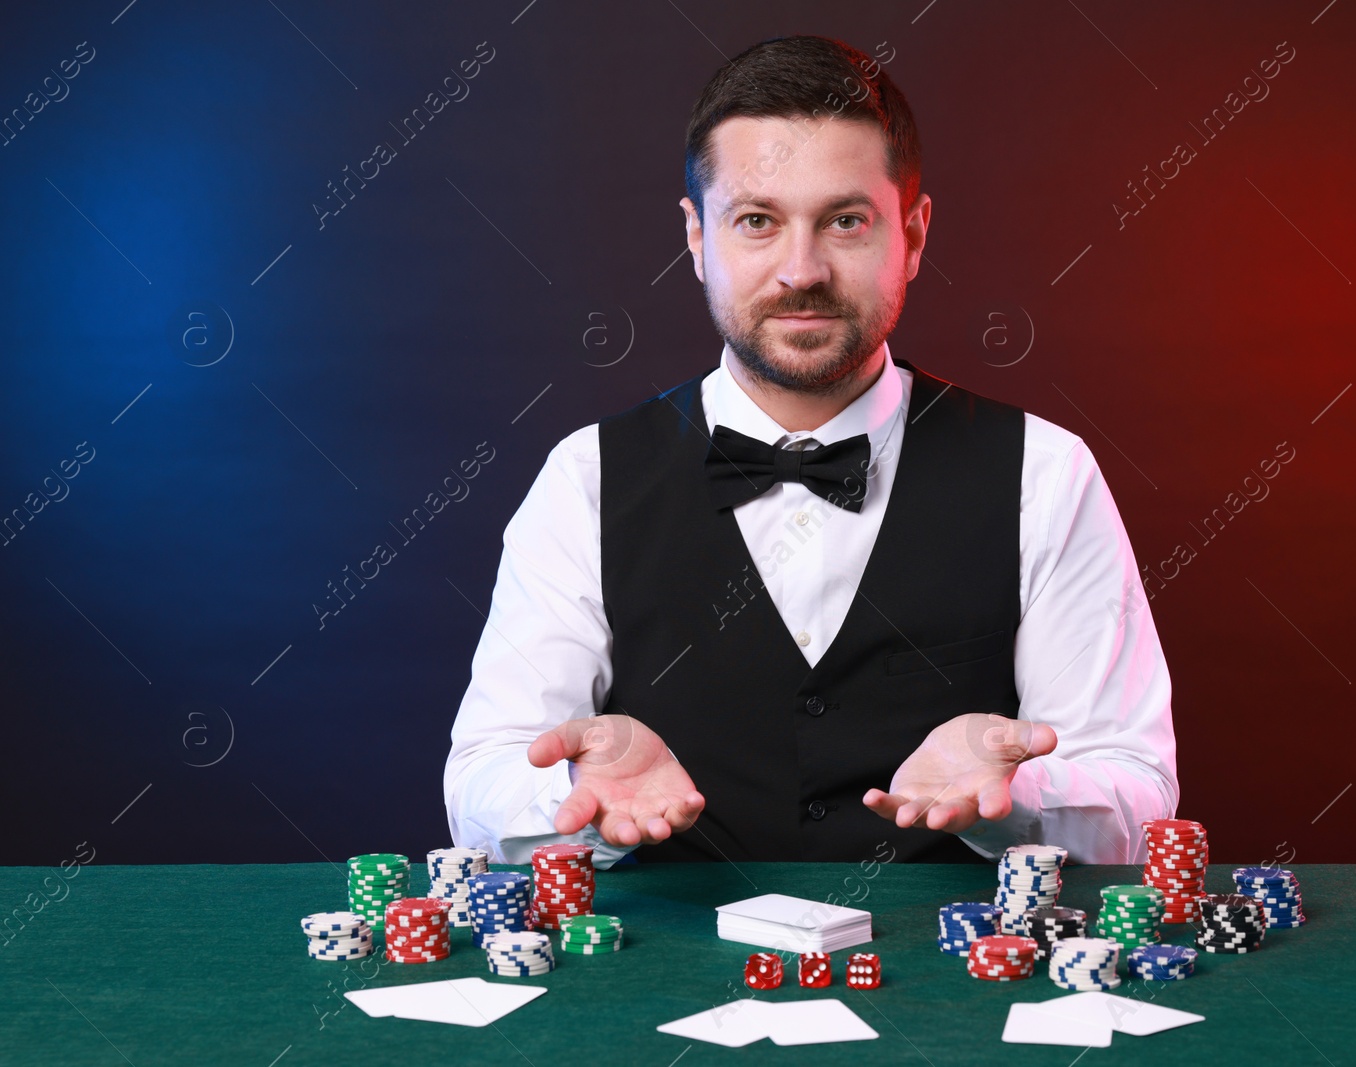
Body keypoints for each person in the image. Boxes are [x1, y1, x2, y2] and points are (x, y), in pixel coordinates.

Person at [444, 34, 1176, 868]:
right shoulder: (586, 479)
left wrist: (1015, 800)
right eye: (757, 221)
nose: (802, 270)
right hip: (665, 986)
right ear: (696, 237)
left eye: (846, 221)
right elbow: (482, 784)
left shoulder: (1045, 473)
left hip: (953, 992)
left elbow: (1137, 791)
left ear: (914, 232)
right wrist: (574, 799)